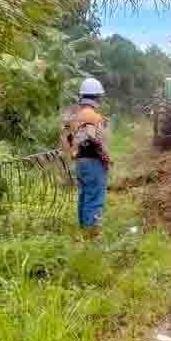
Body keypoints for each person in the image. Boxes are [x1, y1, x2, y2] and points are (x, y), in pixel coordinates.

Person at [61, 78, 111, 238]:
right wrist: (106, 159)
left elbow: (67, 140)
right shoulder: (95, 117)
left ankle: (84, 231)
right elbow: (100, 142)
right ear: (96, 97)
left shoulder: (74, 117)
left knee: (84, 197)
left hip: (80, 162)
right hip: (94, 162)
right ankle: (92, 236)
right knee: (95, 197)